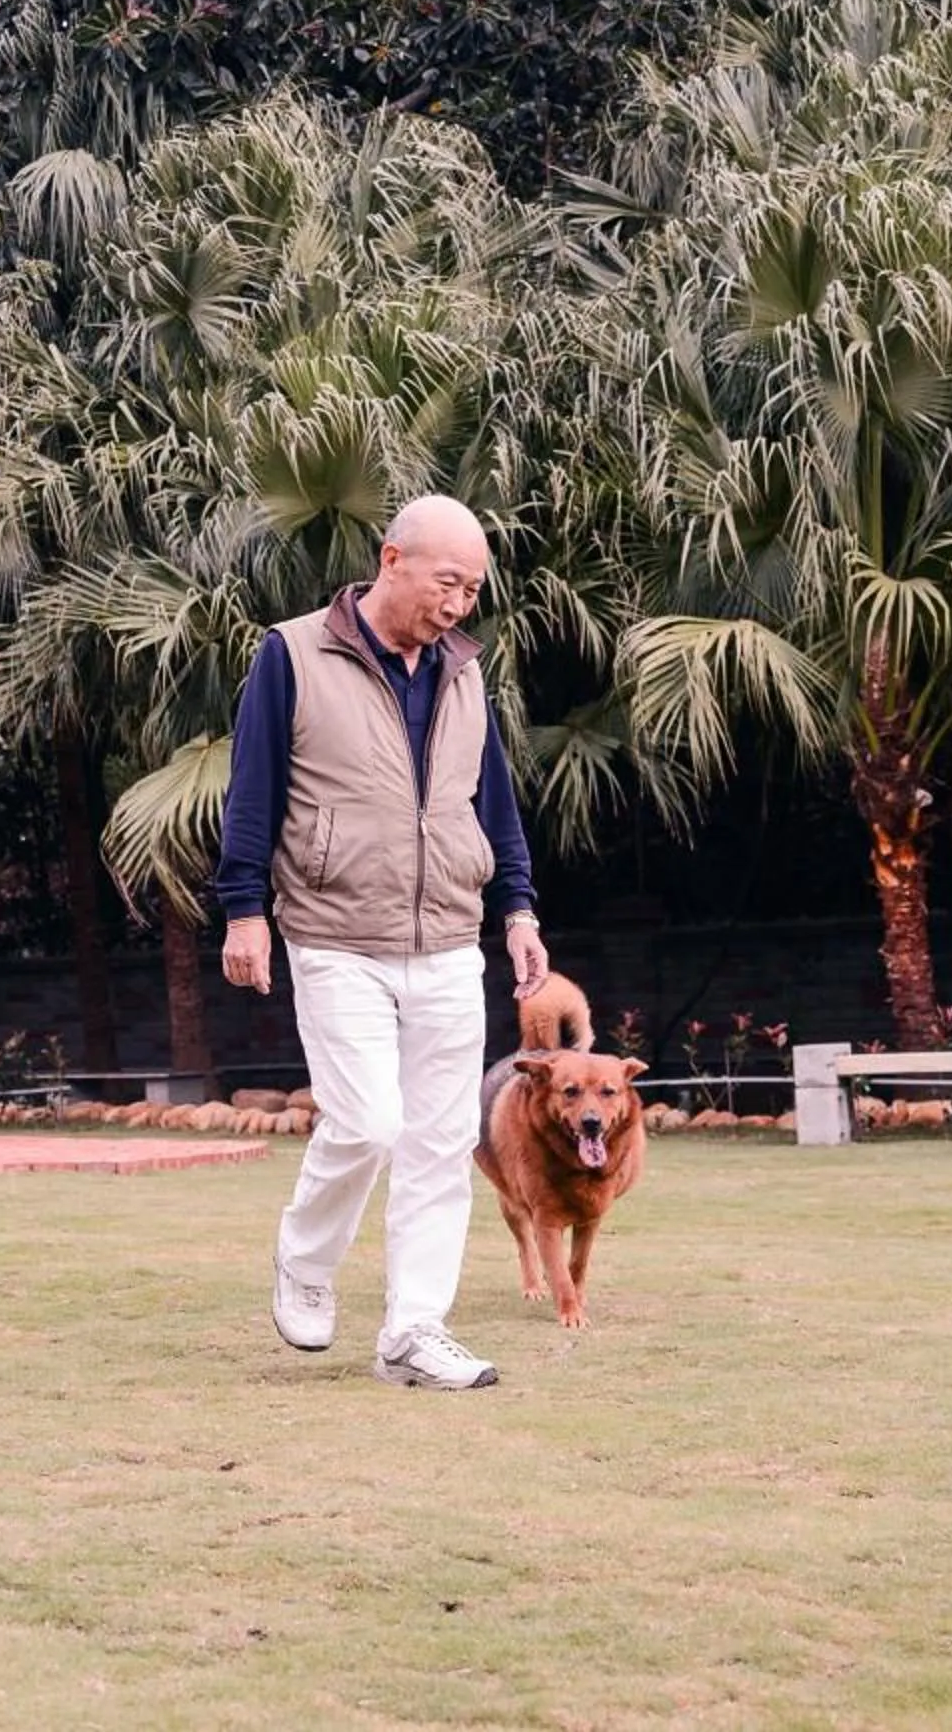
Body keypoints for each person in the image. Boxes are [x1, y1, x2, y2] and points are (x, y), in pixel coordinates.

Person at [214, 496, 546, 1390]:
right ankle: (306, 1262)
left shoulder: (466, 671)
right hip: (334, 935)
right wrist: (244, 910)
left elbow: (494, 804)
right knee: (366, 1122)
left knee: (441, 1144)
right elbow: (253, 791)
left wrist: (518, 911)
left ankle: (413, 1332)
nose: (461, 603)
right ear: (391, 559)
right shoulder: (292, 654)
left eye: (474, 588)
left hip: (447, 937)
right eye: (449, 580)